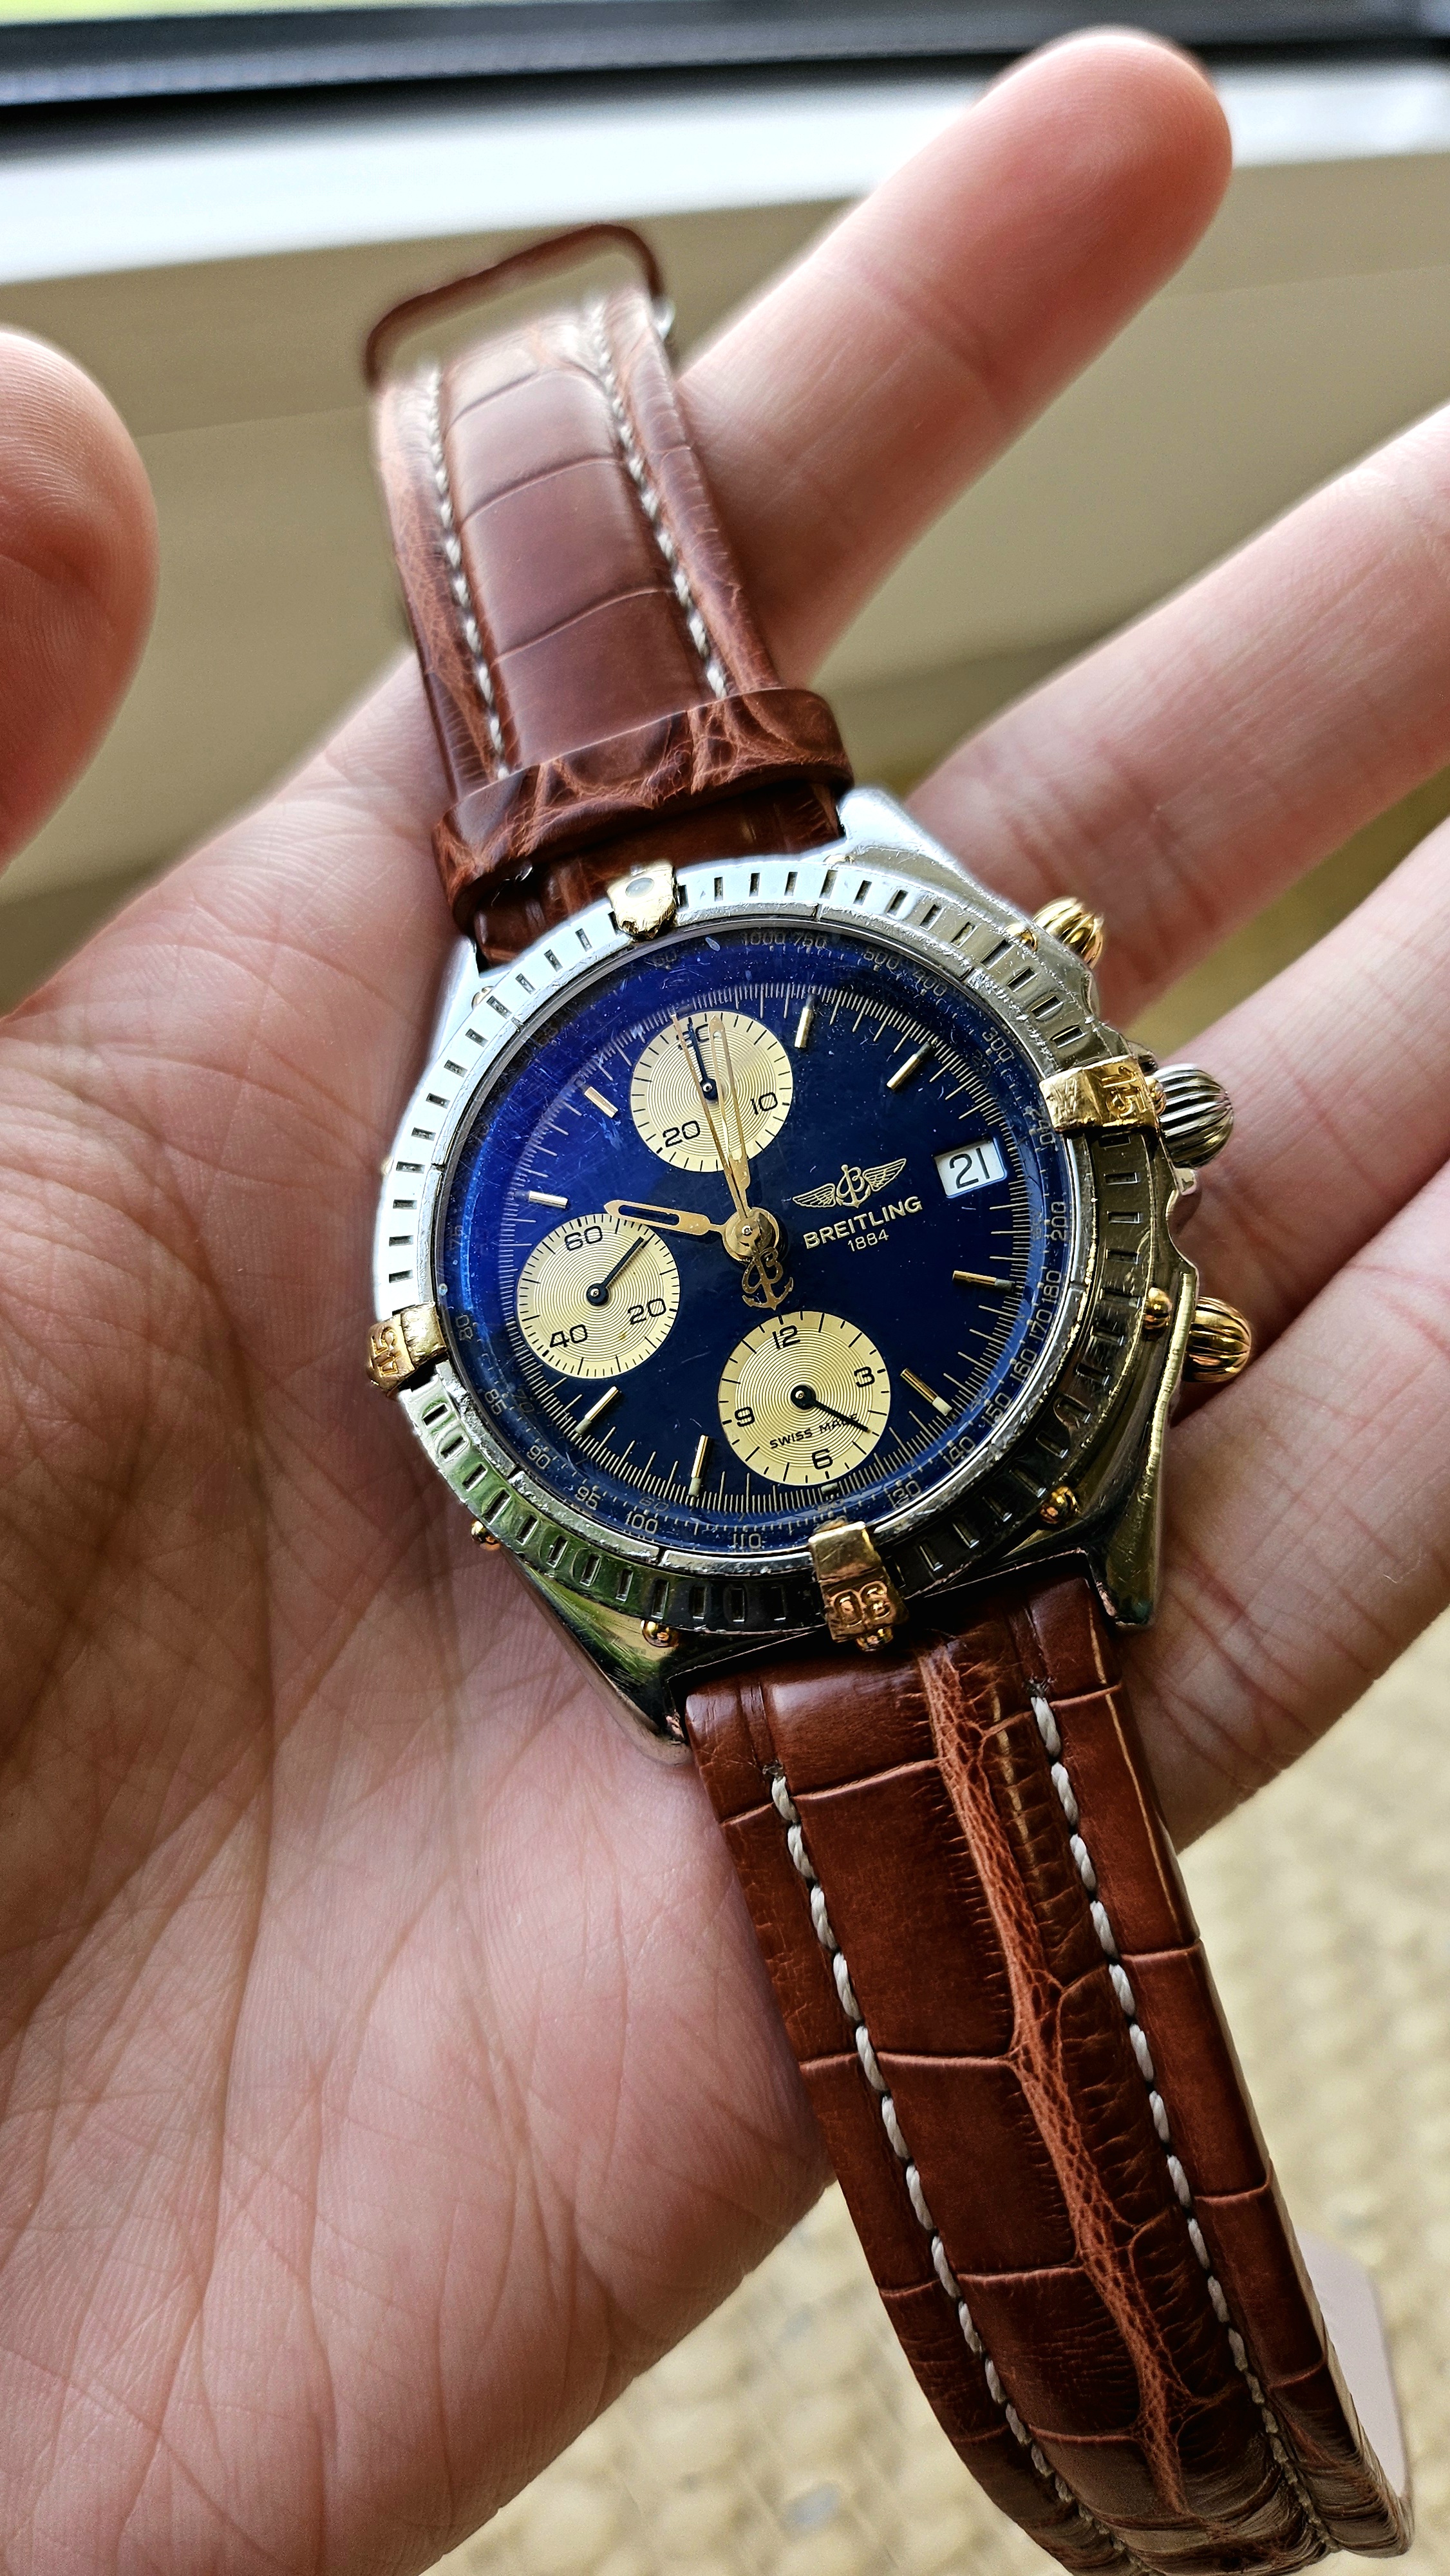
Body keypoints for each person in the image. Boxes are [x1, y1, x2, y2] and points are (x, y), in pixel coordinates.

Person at [1, 29, 1445, 2570]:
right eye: (692, 1242)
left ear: (1110, 1093)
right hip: (758, 1558)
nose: (754, 1247)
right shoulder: (486, 1254)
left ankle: (1204, 2474)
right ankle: (1206, 2472)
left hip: (922, 1470)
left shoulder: (957, 1120)